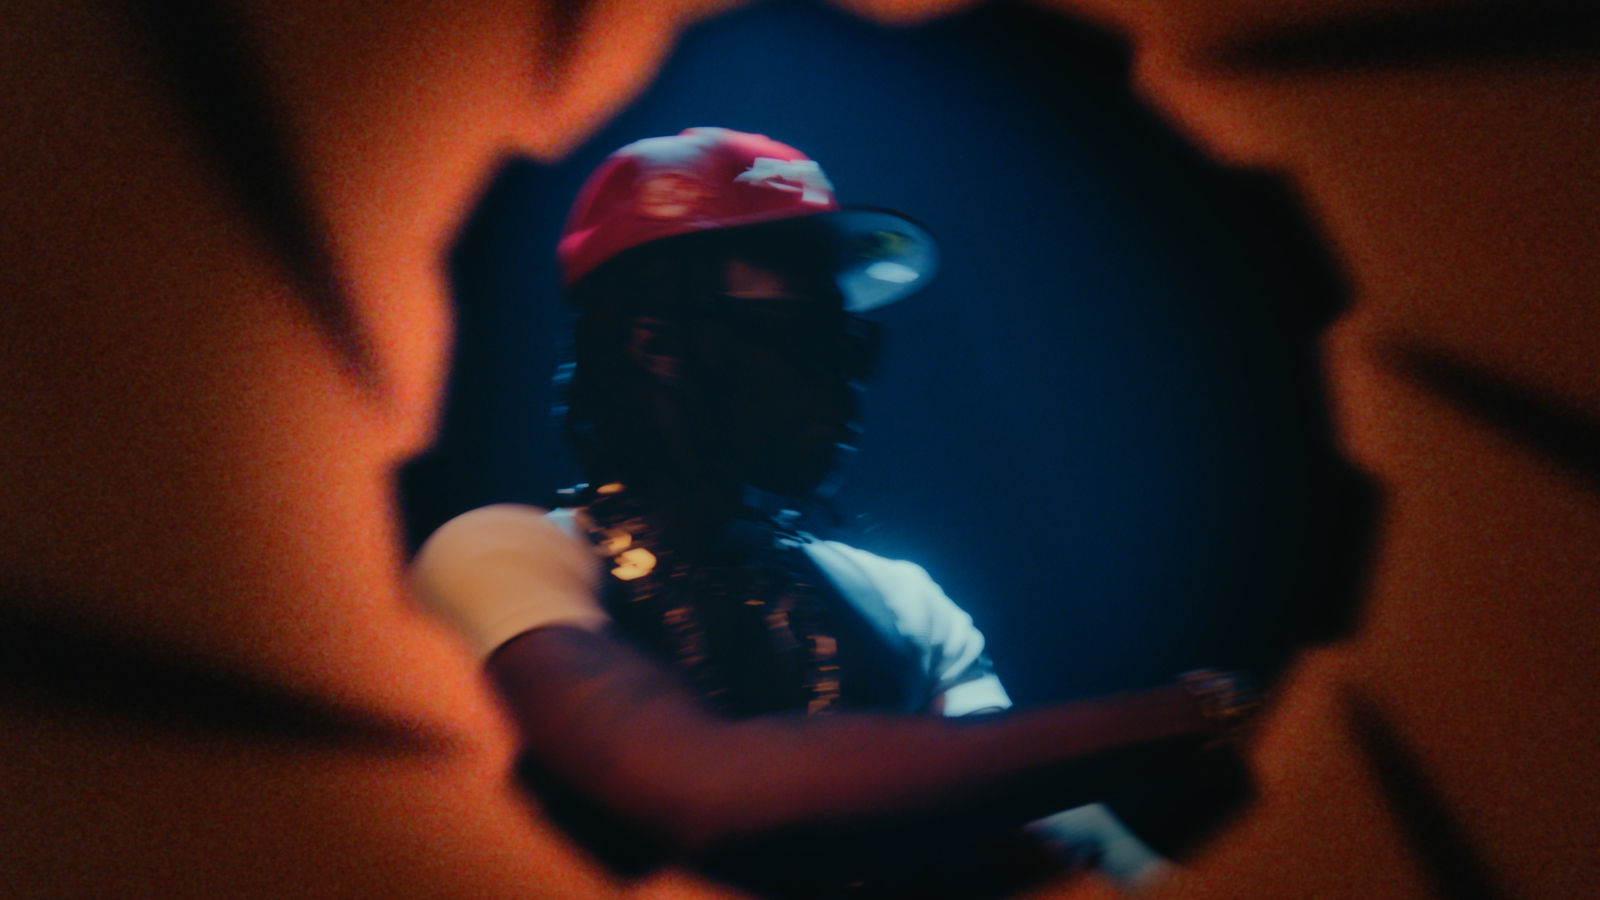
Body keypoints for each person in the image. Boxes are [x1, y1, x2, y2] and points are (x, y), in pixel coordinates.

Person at [412, 127, 1255, 896]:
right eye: (801, 332)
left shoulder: (900, 598)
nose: (847, 372)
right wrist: (1198, 715)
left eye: (855, 340)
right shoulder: (499, 556)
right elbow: (701, 789)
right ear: (656, 344)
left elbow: (1041, 840)